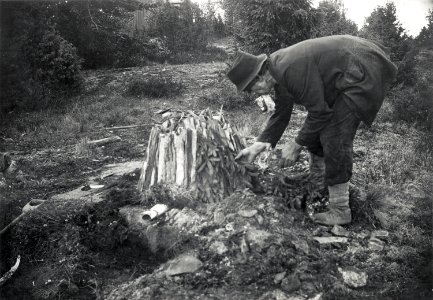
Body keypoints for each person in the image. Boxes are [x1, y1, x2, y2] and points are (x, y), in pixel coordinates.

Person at [227, 35, 397, 225]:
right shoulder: (277, 71)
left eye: (251, 89)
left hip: (363, 66)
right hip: (346, 73)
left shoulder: (289, 68)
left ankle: (340, 209)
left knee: (334, 134)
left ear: (259, 76)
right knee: (316, 135)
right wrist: (255, 147)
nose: (253, 94)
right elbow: (281, 114)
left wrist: (296, 144)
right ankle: (320, 186)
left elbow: (319, 113)